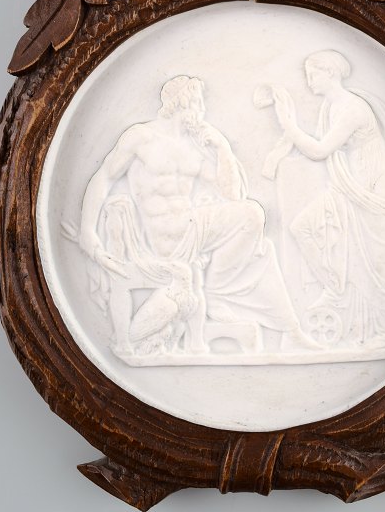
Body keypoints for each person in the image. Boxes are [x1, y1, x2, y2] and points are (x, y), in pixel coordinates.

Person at [78, 75, 309, 358]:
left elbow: (231, 195)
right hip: (162, 237)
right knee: (251, 218)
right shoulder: (141, 137)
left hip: (190, 231)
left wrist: (223, 149)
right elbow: (104, 177)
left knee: (258, 236)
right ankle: (222, 294)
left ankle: (285, 327)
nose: (201, 110)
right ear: (183, 102)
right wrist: (88, 231)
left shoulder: (193, 148)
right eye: (198, 102)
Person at [271, 50, 385, 349]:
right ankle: (336, 285)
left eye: (313, 74)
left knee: (380, 261)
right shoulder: (330, 106)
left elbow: (320, 150)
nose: (308, 80)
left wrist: (288, 124)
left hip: (378, 187)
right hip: (351, 186)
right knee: (302, 227)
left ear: (330, 73)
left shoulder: (351, 108)